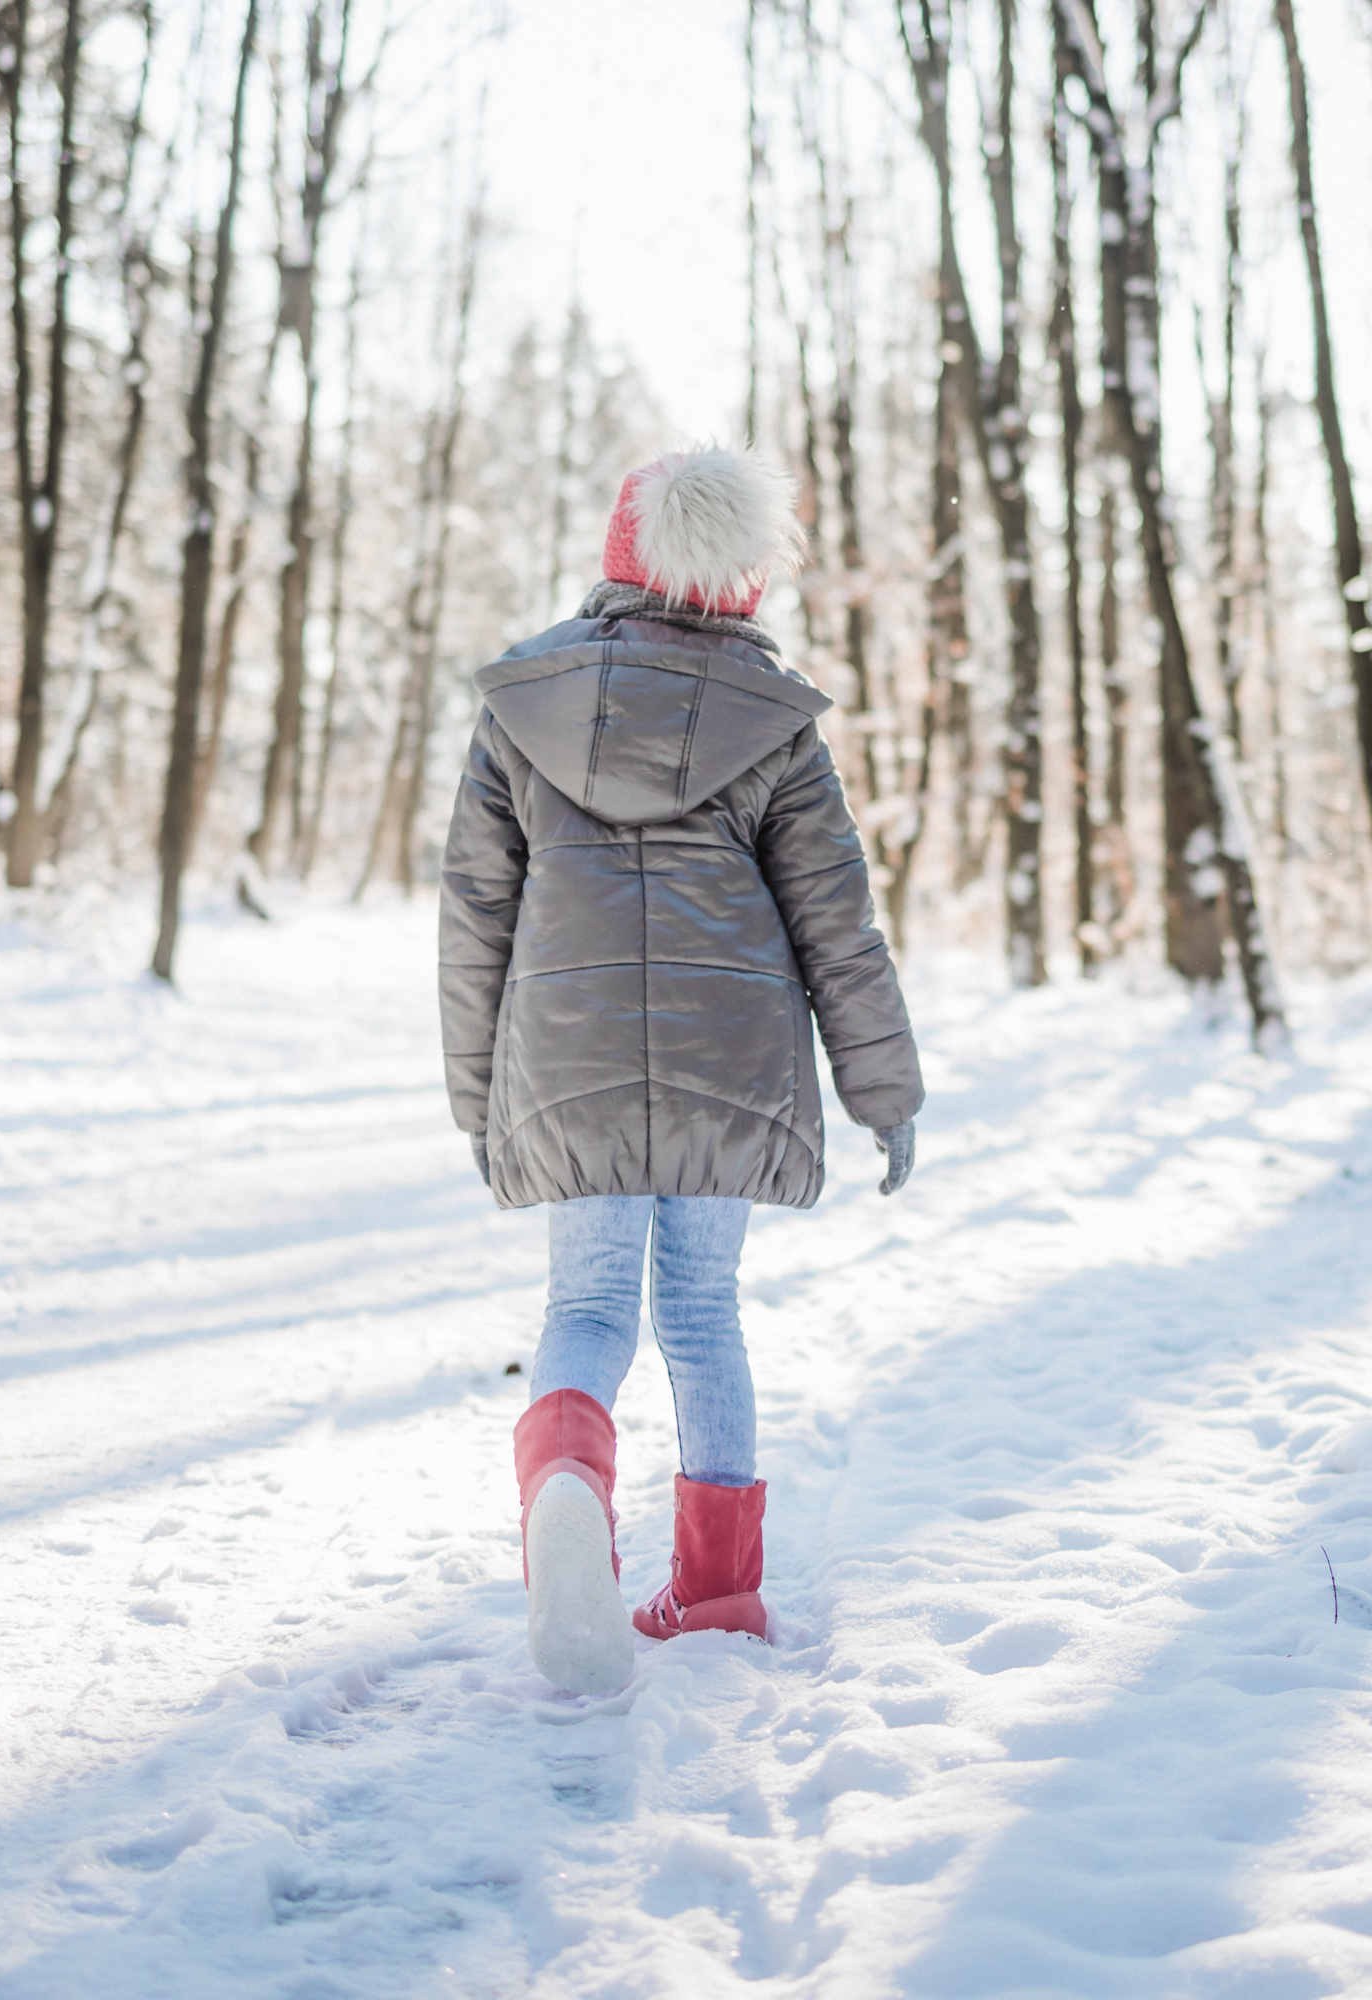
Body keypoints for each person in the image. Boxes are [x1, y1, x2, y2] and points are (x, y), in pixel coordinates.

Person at [438, 445, 925, 1695]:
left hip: (570, 1050)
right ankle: (716, 1586)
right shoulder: (777, 723)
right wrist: (885, 1089)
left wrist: (475, 1087)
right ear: (740, 576)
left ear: (621, 557)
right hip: (730, 1052)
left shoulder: (523, 702)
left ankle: (564, 1490)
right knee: (703, 1317)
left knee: (587, 1311)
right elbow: (836, 919)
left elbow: (476, 913)